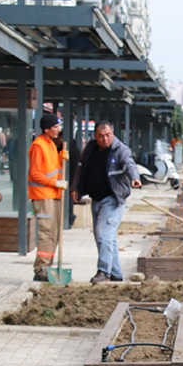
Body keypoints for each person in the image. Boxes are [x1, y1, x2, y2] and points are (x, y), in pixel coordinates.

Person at [70, 121, 142, 283]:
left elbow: (130, 164)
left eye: (108, 135)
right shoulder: (90, 149)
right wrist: (76, 189)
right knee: (104, 237)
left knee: (104, 235)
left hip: (113, 200)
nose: (104, 139)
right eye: (101, 136)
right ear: (95, 136)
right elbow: (81, 169)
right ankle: (116, 272)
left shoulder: (120, 150)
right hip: (96, 199)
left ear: (113, 134)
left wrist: (135, 178)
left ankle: (103, 271)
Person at [28, 112, 68, 282]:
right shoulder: (38, 145)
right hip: (43, 197)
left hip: (53, 195)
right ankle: (41, 268)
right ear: (46, 129)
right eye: (55, 127)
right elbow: (35, 174)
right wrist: (55, 183)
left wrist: (60, 158)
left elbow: (50, 167)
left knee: (55, 233)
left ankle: (48, 266)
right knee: (47, 233)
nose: (58, 130)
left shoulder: (50, 144)